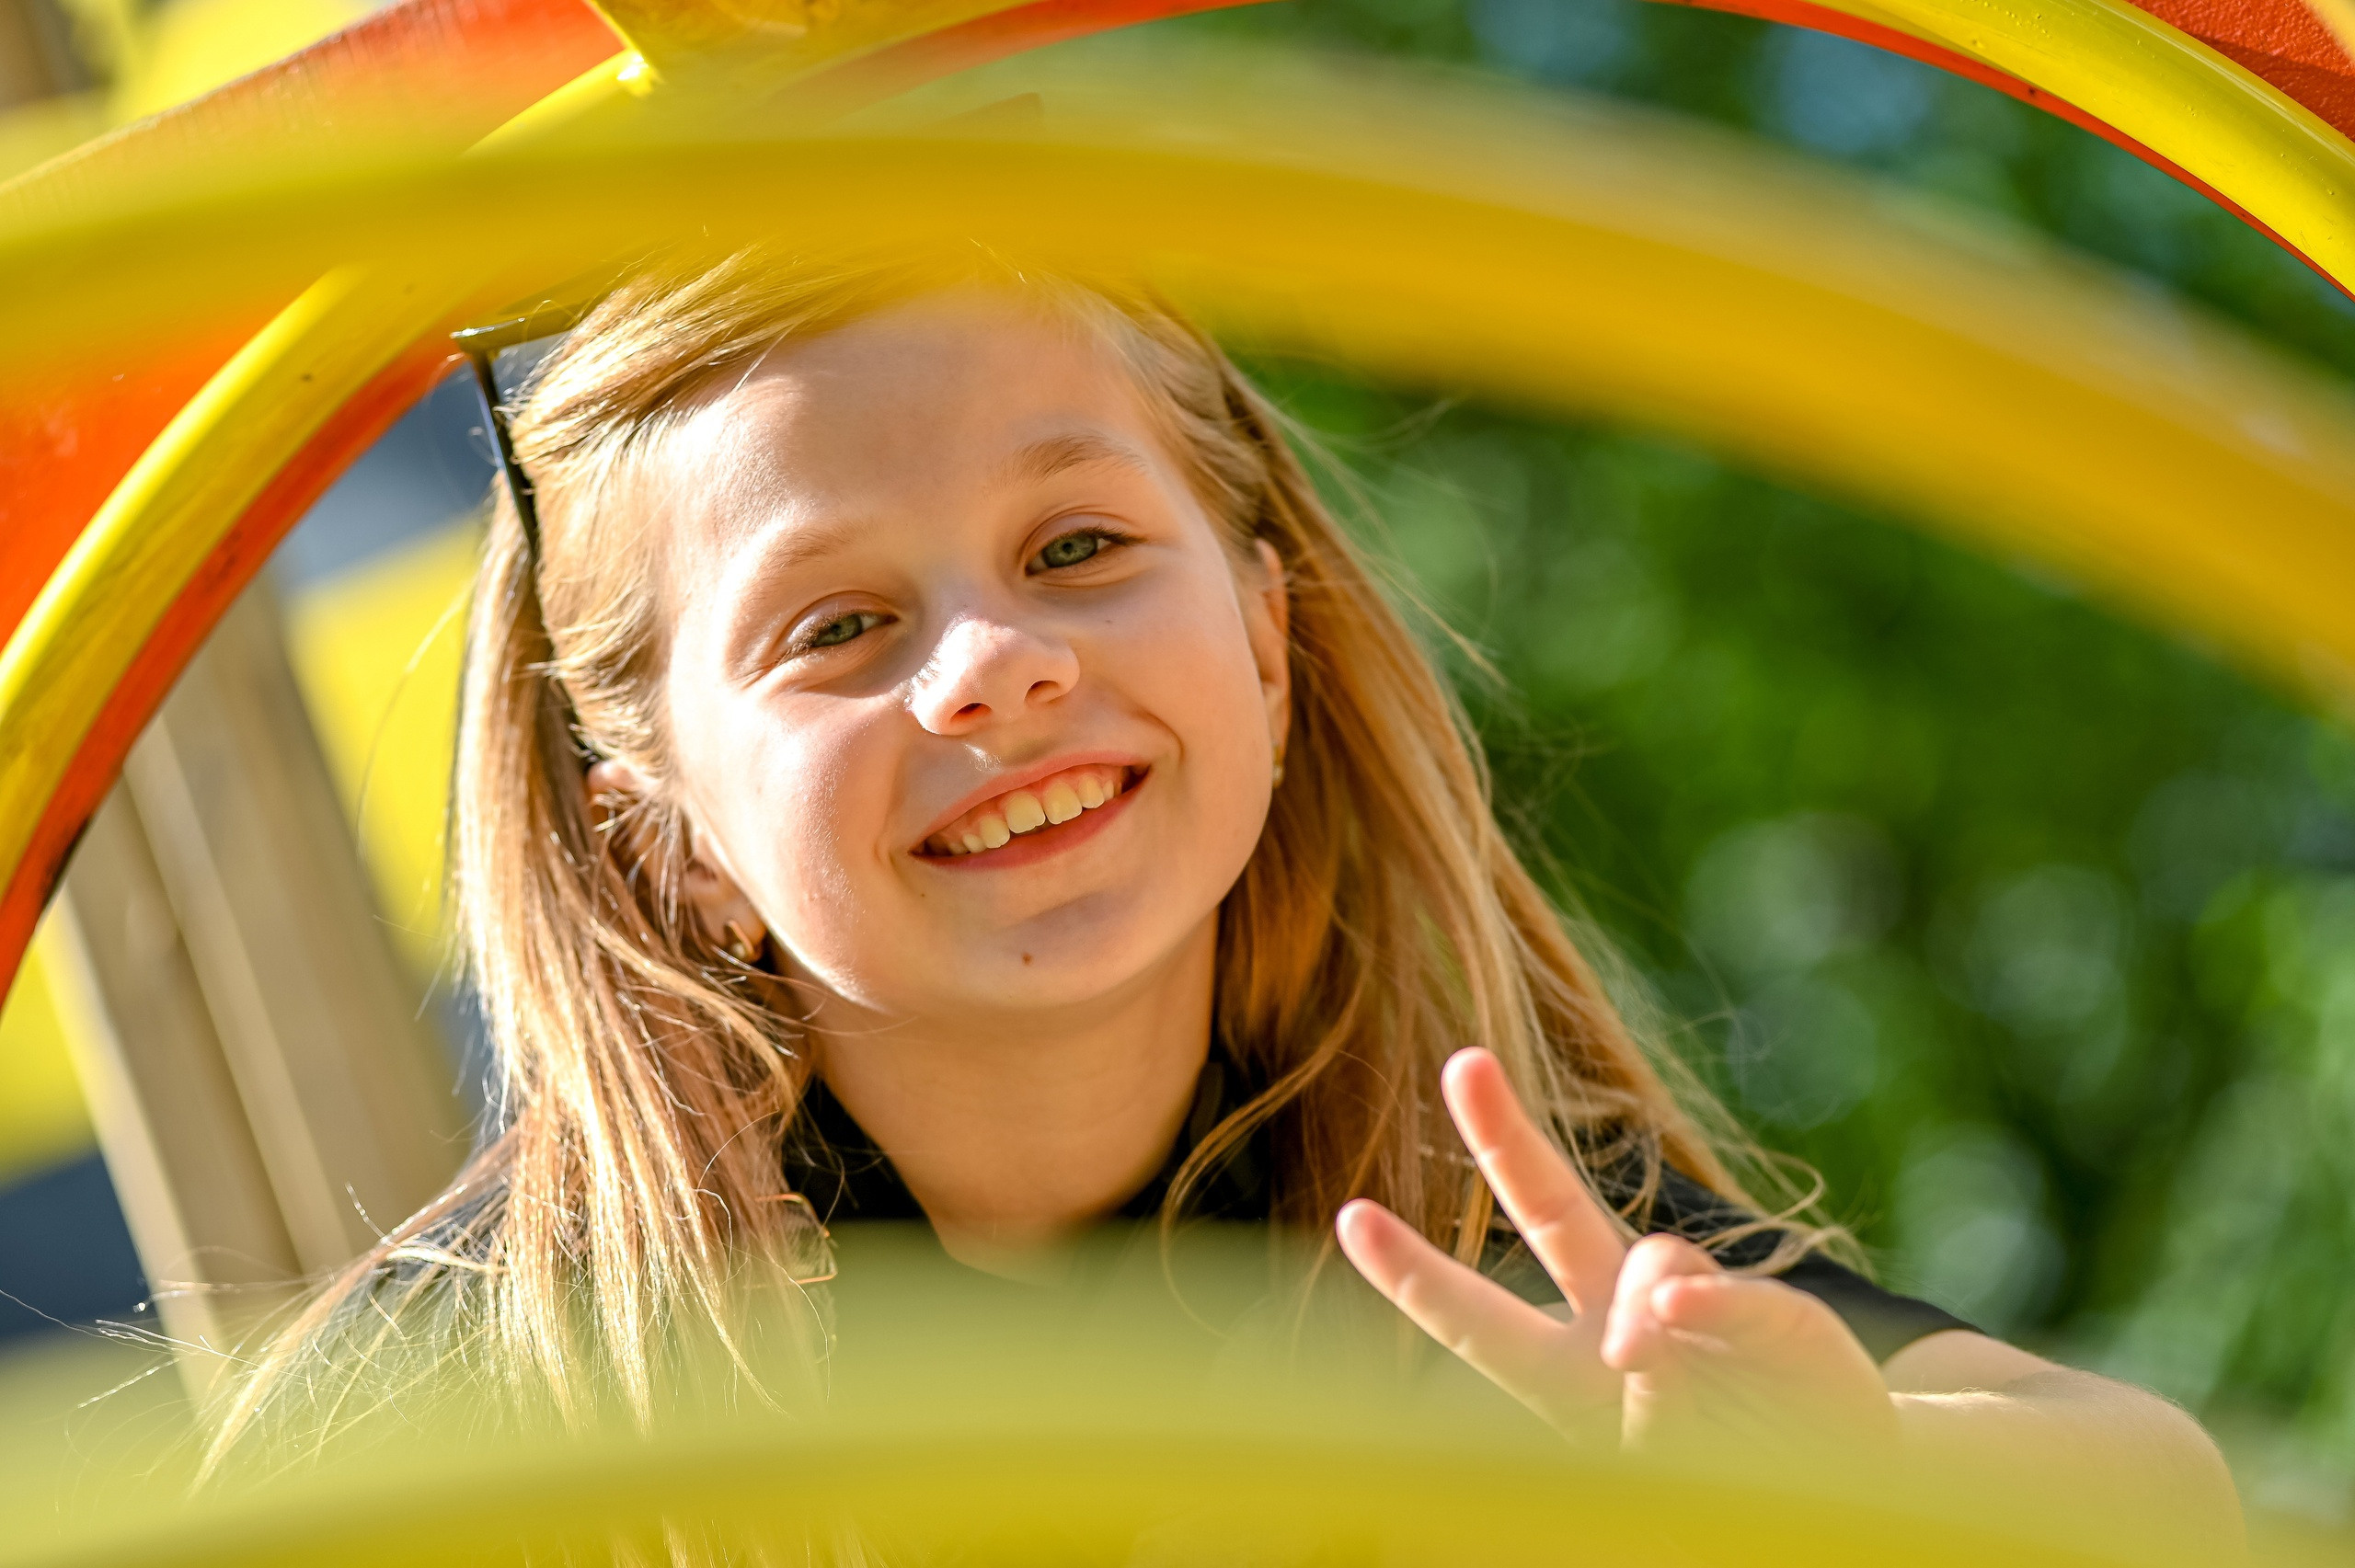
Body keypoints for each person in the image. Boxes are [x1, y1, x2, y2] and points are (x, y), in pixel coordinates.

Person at [213, 248, 2240, 1555]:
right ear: (658, 836)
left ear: (1268, 648)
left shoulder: (1469, 1232)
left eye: (1076, 546)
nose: (995, 666)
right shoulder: (473, 1417)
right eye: (837, 625)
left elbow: (2152, 1488)